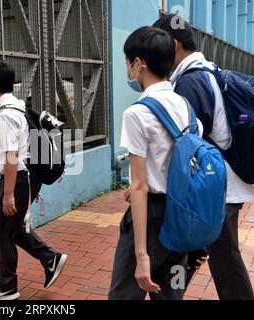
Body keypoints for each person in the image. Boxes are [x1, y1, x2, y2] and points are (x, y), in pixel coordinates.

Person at [154, 14, 254, 300]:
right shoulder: (204, 72)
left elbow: (184, 145)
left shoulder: (190, 82)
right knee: (198, 254)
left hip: (212, 191)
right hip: (220, 187)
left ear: (173, 45)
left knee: (222, 261)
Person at [108, 27, 203, 300]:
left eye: (128, 61)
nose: (127, 68)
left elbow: (139, 186)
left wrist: (141, 255)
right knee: (172, 296)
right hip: (181, 217)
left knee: (123, 296)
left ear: (139, 64)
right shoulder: (187, 107)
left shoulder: (137, 113)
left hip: (149, 220)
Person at [0, 60, 68, 301]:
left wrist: (7, 194)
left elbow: (11, 154)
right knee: (13, 229)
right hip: (24, 178)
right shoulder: (17, 107)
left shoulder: (4, 115)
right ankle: (50, 259)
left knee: (1, 230)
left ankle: (6, 286)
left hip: (16, 178)